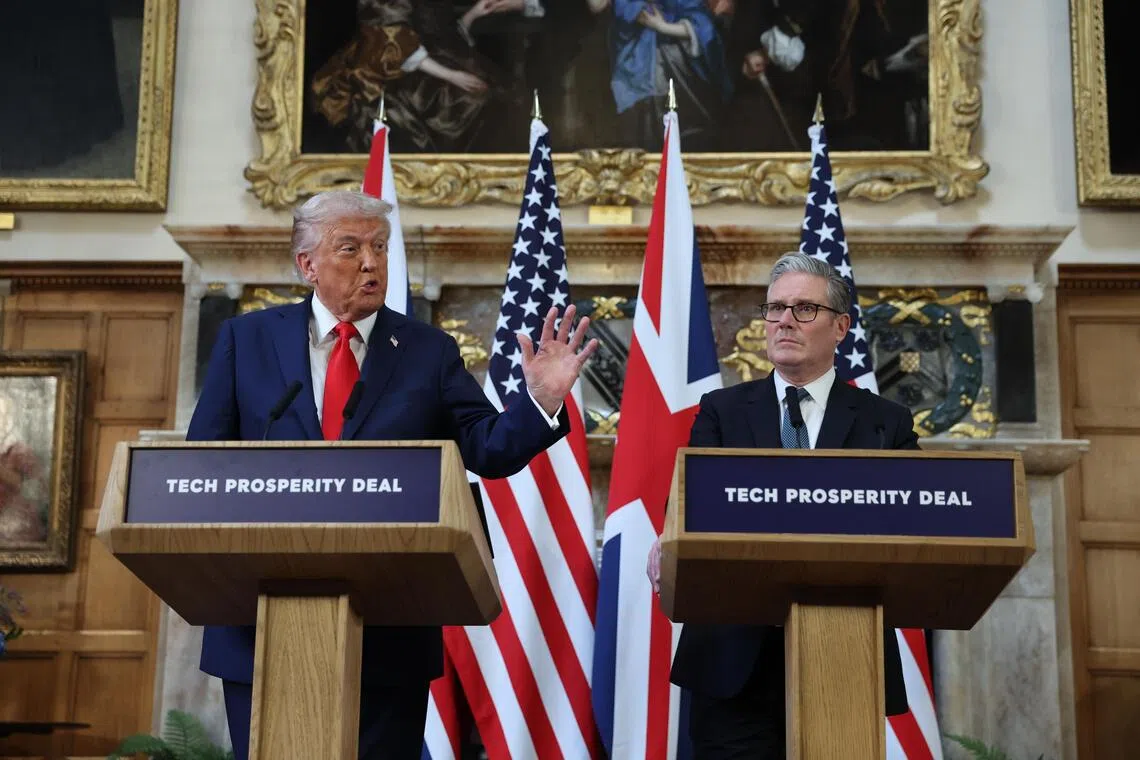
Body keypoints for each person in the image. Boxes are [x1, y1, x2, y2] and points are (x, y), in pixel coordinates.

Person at [187, 189, 598, 760]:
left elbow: (486, 448)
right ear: (306, 264)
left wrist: (540, 403)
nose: (371, 262)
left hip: (389, 626)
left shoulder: (427, 350)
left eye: (379, 247)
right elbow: (205, 463)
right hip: (261, 625)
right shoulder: (247, 340)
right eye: (350, 248)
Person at [647, 252, 912, 758]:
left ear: (841, 327)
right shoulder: (722, 412)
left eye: (804, 309)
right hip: (731, 661)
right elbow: (689, 504)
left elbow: (914, 522)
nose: (784, 320)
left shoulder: (886, 423)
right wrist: (669, 536)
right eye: (774, 308)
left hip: (844, 656)